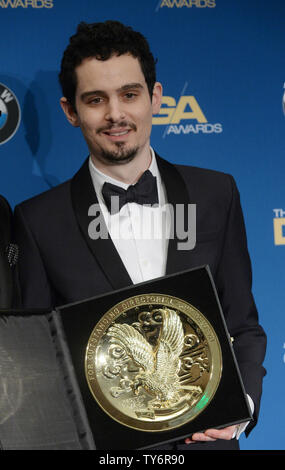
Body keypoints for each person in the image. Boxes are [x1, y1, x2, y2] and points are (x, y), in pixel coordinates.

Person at [13, 21, 266, 450]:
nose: (116, 115)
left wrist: (239, 409)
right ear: (70, 111)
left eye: (130, 95)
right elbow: (38, 362)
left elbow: (243, 324)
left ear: (156, 98)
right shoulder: (38, 221)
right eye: (96, 100)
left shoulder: (215, 193)